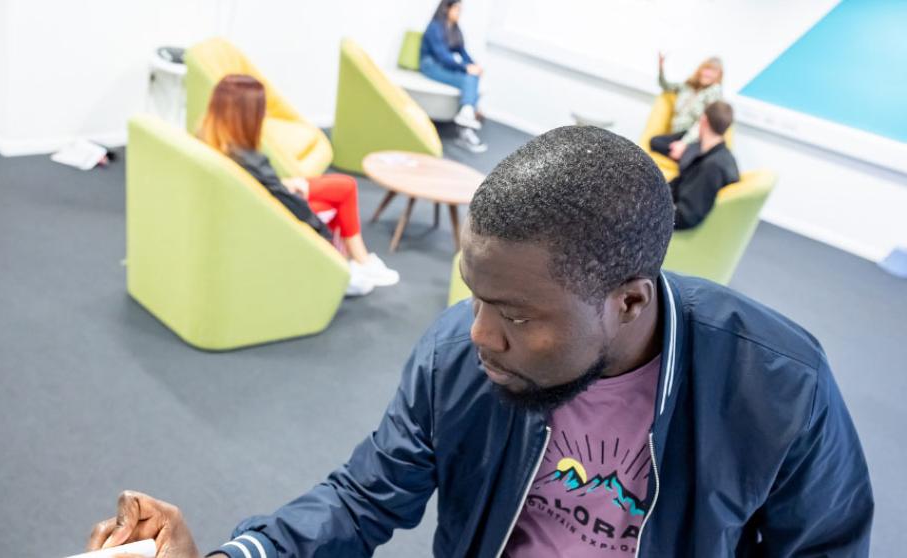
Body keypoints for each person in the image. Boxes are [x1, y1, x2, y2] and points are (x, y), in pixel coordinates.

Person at [87, 127, 873, 557]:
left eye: (520, 316)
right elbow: (364, 498)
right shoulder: (458, 356)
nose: (479, 334)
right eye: (475, 294)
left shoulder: (779, 388)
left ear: (628, 301)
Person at [198, 74, 398, 296]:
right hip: (277, 213)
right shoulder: (250, 159)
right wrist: (322, 235)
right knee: (339, 197)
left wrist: (284, 184)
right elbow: (291, 206)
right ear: (247, 115)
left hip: (267, 197)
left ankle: (361, 261)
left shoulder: (209, 139)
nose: (264, 115)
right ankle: (347, 265)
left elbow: (259, 186)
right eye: (261, 109)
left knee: (344, 186)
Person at [420, 0, 487, 154]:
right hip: (431, 66)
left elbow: (462, 52)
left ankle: (467, 113)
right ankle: (469, 116)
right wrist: (465, 67)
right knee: (468, 77)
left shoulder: (455, 28)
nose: (459, 12)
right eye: (457, 8)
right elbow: (443, 57)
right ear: (446, 8)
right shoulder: (434, 28)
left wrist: (474, 66)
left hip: (443, 65)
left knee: (472, 76)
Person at [669, 100, 739, 229]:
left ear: (703, 120)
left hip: (674, 227)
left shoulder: (712, 167)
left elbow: (685, 217)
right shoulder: (722, 157)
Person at [649, 54, 723, 161]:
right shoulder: (687, 87)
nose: (709, 74)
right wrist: (661, 68)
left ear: (718, 76)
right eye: (707, 69)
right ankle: (683, 158)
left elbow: (703, 122)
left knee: (696, 153)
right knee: (655, 142)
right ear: (701, 70)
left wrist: (684, 143)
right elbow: (665, 86)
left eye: (714, 72)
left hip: (694, 136)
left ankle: (685, 158)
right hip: (678, 133)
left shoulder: (713, 92)